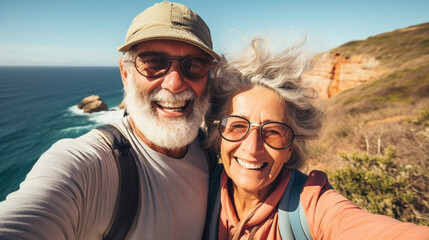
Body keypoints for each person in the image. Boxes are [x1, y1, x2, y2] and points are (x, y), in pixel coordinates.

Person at [0, 1, 220, 239]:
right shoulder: (87, 167)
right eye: (154, 63)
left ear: (208, 76)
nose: (175, 83)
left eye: (195, 65)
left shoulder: (209, 150)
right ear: (126, 73)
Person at [203, 37, 429, 239]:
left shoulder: (311, 204)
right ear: (218, 135)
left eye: (272, 131)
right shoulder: (198, 187)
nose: (252, 148)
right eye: (237, 126)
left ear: (291, 147)